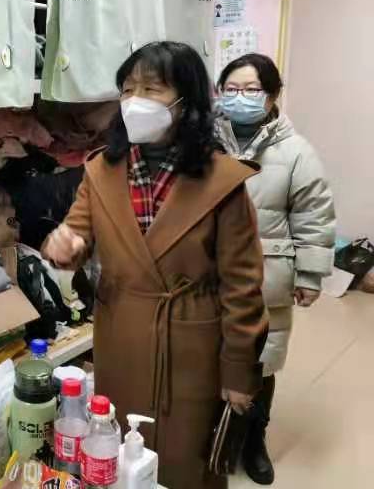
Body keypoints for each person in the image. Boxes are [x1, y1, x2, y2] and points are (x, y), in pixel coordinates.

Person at [42, 42, 268, 489]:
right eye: (128, 89)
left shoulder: (223, 182)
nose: (135, 101)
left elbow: (242, 287)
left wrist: (239, 372)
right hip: (121, 335)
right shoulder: (101, 171)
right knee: (115, 453)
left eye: (152, 89)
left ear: (186, 102)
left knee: (186, 462)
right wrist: (63, 245)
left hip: (192, 342)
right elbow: (76, 233)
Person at [215, 53, 335, 485]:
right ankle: (214, 436)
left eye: (252, 90)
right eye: (232, 89)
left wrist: (310, 275)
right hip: (207, 272)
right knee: (209, 355)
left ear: (273, 95)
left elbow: (314, 215)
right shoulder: (203, 142)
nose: (241, 98)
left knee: (260, 362)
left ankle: (254, 440)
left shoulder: (296, 151)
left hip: (267, 276)